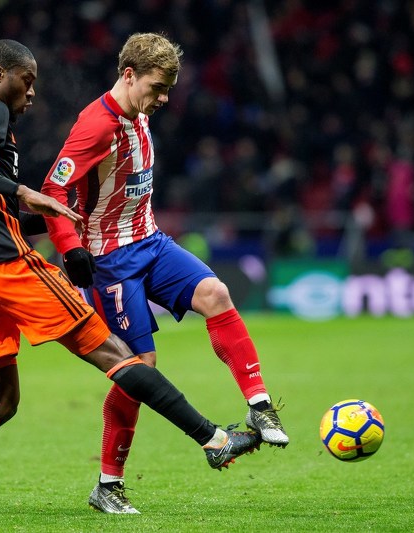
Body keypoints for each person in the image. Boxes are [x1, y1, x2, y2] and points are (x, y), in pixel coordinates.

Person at [0, 38, 262, 516]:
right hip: (4, 268)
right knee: (120, 355)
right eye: (27, 80)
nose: (33, 92)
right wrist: (29, 194)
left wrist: (61, 215)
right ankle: (214, 439)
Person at [40, 33, 289, 515]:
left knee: (216, 293)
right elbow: (53, 187)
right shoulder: (94, 126)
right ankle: (108, 484)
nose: (164, 98)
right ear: (128, 75)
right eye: (158, 87)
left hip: (151, 241)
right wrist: (70, 249)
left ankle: (259, 405)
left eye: (169, 88)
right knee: (140, 370)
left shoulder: (141, 112)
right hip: (109, 260)